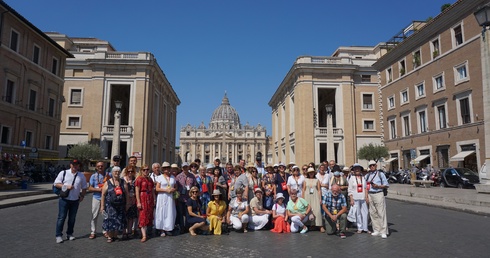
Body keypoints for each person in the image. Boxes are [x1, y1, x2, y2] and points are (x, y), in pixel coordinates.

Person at [54, 159, 88, 243]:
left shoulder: (81, 175)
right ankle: (58, 235)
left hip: (75, 200)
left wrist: (82, 196)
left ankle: (70, 234)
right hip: (64, 199)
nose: (75, 166)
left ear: (79, 166)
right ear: (70, 165)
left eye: (76, 165)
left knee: (72, 218)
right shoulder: (63, 173)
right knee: (61, 217)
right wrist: (66, 186)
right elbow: (56, 184)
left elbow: (84, 187)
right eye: (73, 164)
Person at [100, 166, 129, 243]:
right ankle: (110, 236)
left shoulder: (123, 182)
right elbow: (103, 194)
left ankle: (115, 235)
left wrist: (127, 204)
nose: (117, 173)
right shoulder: (108, 182)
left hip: (120, 205)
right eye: (115, 171)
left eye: (118, 172)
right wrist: (102, 206)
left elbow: (126, 194)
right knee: (110, 220)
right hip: (110, 206)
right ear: (112, 173)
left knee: (118, 220)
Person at [365, 160, 389, 239]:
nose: (372, 167)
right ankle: (376, 229)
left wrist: (378, 186)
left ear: (376, 166)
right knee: (373, 212)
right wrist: (366, 197)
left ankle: (383, 231)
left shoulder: (380, 174)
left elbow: (386, 185)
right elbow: (365, 187)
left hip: (378, 193)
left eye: (373, 165)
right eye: (370, 165)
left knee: (381, 212)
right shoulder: (367, 175)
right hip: (370, 194)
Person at [154, 162, 177, 237]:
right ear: (163, 169)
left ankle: (168, 228)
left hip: (170, 197)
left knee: (169, 212)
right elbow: (157, 188)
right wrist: (165, 190)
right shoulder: (160, 177)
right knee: (161, 212)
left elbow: (176, 186)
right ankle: (161, 229)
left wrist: (173, 189)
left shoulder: (173, 177)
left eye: (168, 168)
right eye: (165, 168)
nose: (166, 169)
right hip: (162, 196)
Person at [135, 164, 155, 242]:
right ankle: (144, 235)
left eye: (147, 169)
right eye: (144, 170)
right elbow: (137, 191)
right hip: (142, 197)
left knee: (149, 215)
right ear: (141, 171)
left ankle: (146, 232)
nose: (146, 171)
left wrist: (154, 199)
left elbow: (152, 189)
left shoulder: (150, 179)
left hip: (150, 198)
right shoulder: (139, 179)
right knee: (143, 216)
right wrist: (138, 202)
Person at [175, 162, 197, 234]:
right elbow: (176, 187)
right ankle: (182, 227)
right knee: (181, 213)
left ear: (188, 167)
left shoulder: (192, 176)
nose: (185, 168)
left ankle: (188, 227)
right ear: (182, 168)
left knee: (188, 213)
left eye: (186, 167)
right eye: (184, 167)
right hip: (181, 198)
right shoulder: (178, 177)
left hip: (189, 198)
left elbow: (195, 186)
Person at [348, 163, 370, 234]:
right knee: (358, 213)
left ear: (360, 170)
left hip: (363, 197)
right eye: (355, 168)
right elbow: (350, 189)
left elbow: (366, 188)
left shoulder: (363, 177)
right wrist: (351, 199)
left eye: (358, 168)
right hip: (355, 197)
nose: (357, 170)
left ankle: (365, 228)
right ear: (353, 170)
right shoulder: (351, 178)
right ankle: (360, 227)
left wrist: (366, 197)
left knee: (365, 212)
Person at [88, 161, 106, 239]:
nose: (100, 167)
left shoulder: (108, 175)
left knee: (105, 216)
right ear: (96, 167)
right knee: (94, 215)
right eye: (98, 166)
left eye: (101, 166)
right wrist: (98, 190)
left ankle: (105, 231)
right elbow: (90, 188)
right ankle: (93, 231)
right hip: (96, 197)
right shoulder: (93, 176)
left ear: (104, 166)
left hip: (105, 198)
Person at [303, 167, 324, 232]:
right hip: (307, 196)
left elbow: (319, 190)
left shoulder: (317, 180)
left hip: (315, 196)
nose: (311, 174)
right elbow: (303, 190)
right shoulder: (305, 180)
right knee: (309, 210)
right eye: (310, 173)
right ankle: (311, 225)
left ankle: (320, 225)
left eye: (312, 172)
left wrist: (320, 198)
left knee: (317, 210)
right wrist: (302, 199)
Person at [122, 165, 138, 239]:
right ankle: (124, 232)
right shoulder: (122, 180)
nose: (130, 172)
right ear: (126, 172)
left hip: (133, 200)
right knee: (124, 216)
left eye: (132, 171)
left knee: (131, 217)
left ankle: (129, 231)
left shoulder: (135, 179)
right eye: (129, 171)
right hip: (124, 200)